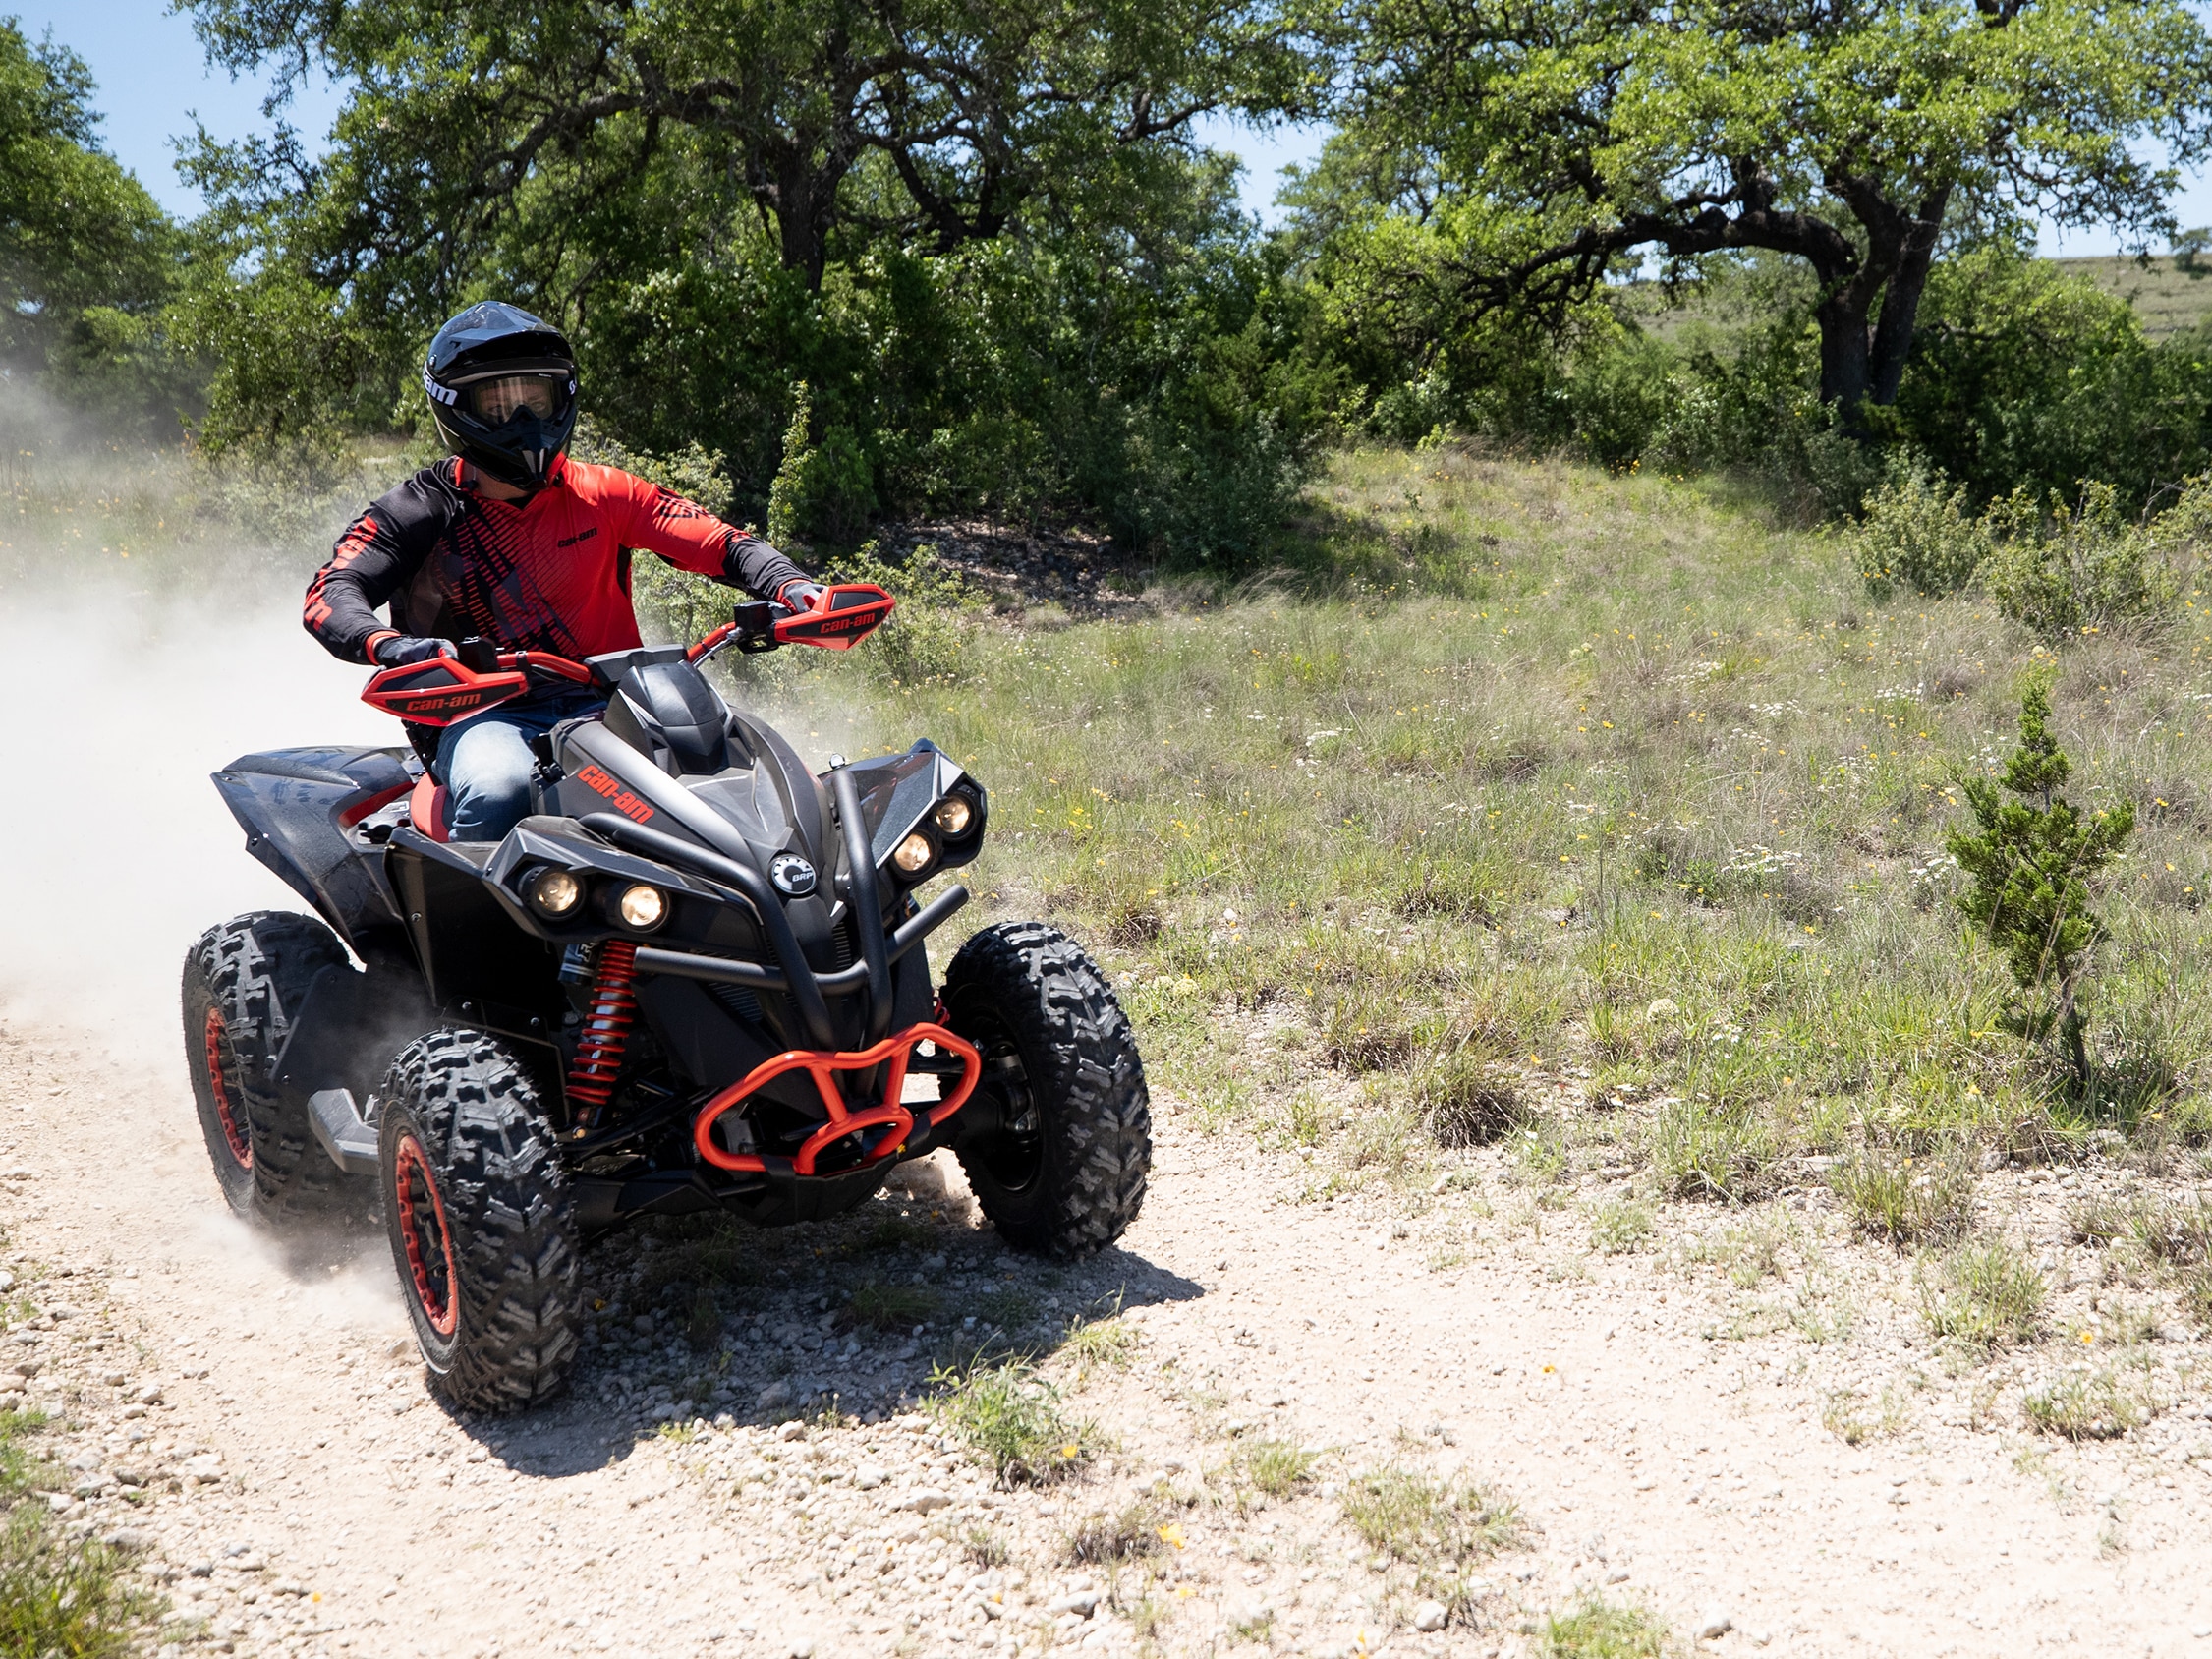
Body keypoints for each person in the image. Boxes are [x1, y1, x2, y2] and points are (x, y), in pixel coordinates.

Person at [304, 301, 821, 841]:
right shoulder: (419, 509)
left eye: (536, 397)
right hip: (483, 711)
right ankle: (482, 924)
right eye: (500, 402)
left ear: (563, 398)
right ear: (457, 409)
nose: (524, 419)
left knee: (751, 773)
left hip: (621, 701)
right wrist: (390, 646)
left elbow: (720, 542)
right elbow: (331, 593)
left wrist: (791, 584)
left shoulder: (606, 492)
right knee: (499, 789)